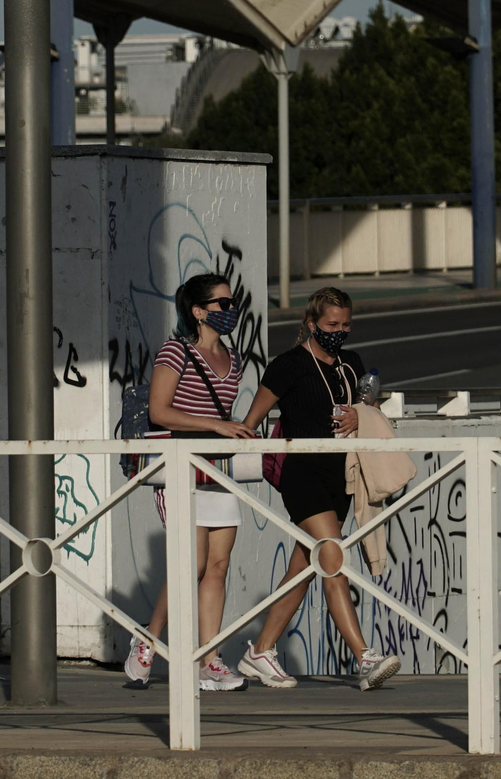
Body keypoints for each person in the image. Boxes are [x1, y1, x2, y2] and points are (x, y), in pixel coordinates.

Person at [235, 287, 400, 692]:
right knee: (332, 558)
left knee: (305, 568)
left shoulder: (351, 364)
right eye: (331, 324)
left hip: (341, 476)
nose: (339, 331)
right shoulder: (288, 365)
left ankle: (260, 651)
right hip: (303, 475)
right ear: (312, 323)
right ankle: (365, 657)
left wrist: (361, 415)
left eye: (345, 325)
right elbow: (251, 421)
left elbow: (371, 411)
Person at [124, 273, 253, 693]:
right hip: (180, 469)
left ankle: (209, 660)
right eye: (222, 304)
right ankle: (149, 639)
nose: (231, 310)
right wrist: (216, 425)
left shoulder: (233, 358)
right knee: (192, 564)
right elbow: (160, 412)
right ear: (198, 311)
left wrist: (235, 429)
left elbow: (225, 417)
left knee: (218, 566)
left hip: (217, 471)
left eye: (233, 303)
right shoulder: (176, 351)